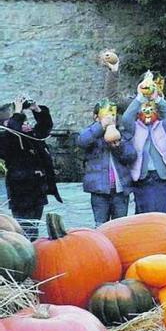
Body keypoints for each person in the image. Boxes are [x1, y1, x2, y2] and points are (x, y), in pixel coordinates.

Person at [0, 97, 61, 239]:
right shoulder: (6, 138)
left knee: (34, 228)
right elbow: (13, 131)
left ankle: (32, 249)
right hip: (21, 192)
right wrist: (17, 111)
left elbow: (45, 127)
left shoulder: (30, 136)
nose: (26, 124)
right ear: (6, 124)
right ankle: (26, 254)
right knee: (24, 229)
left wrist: (36, 109)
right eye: (22, 121)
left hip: (37, 190)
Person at [122, 72, 166, 214]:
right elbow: (125, 118)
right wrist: (140, 97)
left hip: (162, 176)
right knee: (143, 213)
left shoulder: (163, 125)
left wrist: (157, 98)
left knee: (164, 212)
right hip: (142, 176)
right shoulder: (135, 126)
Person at [76, 99, 136, 225]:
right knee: (101, 225)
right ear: (96, 117)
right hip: (99, 190)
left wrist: (119, 147)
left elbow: (131, 156)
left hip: (120, 190)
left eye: (113, 115)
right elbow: (82, 141)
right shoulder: (91, 132)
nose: (110, 118)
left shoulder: (123, 134)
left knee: (120, 225)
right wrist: (101, 127)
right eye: (106, 115)